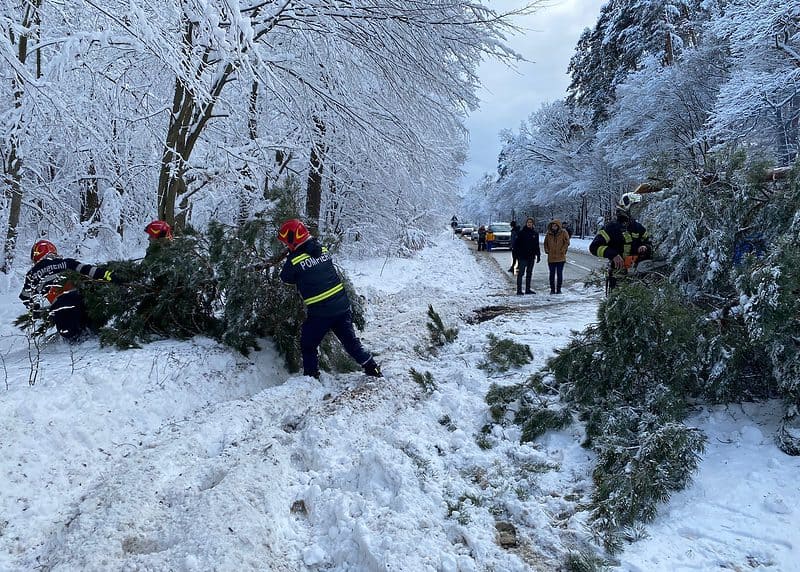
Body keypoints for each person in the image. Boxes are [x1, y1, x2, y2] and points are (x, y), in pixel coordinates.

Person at [277, 219, 382, 379]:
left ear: (294, 239)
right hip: (342, 307)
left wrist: (292, 255)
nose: (286, 246)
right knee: (350, 343)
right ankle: (372, 368)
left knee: (308, 344)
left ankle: (311, 376)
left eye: (286, 242)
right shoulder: (323, 250)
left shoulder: (295, 260)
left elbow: (286, 277)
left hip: (321, 313)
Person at [20, 240, 117, 341]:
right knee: (93, 333)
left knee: (72, 339)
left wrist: (35, 308)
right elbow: (90, 270)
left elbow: (25, 296)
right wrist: (109, 275)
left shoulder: (33, 274)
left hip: (60, 308)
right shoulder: (66, 263)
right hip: (81, 301)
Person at [589, 192, 652, 292]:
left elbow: (649, 243)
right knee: (617, 303)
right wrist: (613, 255)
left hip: (637, 275)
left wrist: (645, 247)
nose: (637, 210)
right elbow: (594, 247)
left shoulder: (638, 228)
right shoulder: (611, 228)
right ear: (626, 207)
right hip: (617, 276)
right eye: (634, 207)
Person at [513, 217, 540, 295]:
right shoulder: (521, 233)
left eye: (531, 222)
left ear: (533, 224)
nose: (529, 223)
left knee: (529, 273)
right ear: (526, 223)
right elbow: (516, 245)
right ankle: (519, 290)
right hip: (522, 257)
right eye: (528, 222)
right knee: (521, 273)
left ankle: (528, 289)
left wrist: (538, 255)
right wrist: (517, 255)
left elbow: (536, 245)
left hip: (531, 257)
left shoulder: (535, 233)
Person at [543, 219, 570, 294]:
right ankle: (552, 289)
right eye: (552, 225)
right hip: (551, 257)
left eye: (555, 225)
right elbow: (545, 243)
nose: (554, 227)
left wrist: (563, 250)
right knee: (551, 274)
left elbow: (567, 242)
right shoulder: (548, 234)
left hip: (560, 257)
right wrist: (547, 250)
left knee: (559, 273)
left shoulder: (563, 233)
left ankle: (558, 289)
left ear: (558, 226)